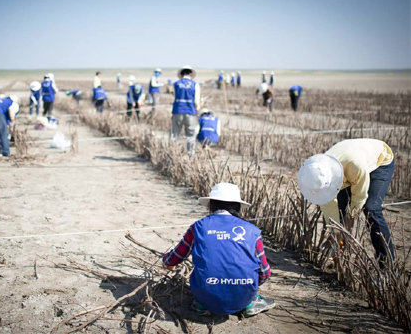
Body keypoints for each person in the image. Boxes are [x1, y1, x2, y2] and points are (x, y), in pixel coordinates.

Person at [163, 182, 274, 316]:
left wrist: (165, 261)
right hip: (243, 293)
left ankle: (204, 304)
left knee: (204, 289)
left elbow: (174, 258)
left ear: (211, 205)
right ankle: (247, 302)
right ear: (238, 206)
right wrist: (248, 286)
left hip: (206, 292)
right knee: (243, 292)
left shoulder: (198, 227)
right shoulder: (252, 231)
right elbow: (265, 273)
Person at [298, 139, 396, 265]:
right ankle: (338, 256)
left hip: (380, 160)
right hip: (349, 163)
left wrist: (350, 221)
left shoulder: (355, 166)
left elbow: (360, 196)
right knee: (340, 210)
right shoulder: (315, 171)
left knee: (371, 209)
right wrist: (337, 232)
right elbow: (329, 206)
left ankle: (387, 262)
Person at [171, 65, 201, 157]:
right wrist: (198, 108)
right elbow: (196, 100)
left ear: (181, 74)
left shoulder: (176, 84)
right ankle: (191, 155)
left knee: (175, 134)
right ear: (191, 74)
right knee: (191, 135)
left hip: (177, 111)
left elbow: (175, 96)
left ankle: (173, 154)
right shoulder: (195, 84)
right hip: (190, 112)